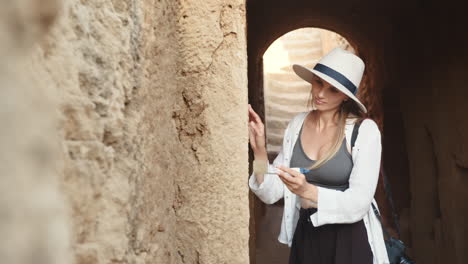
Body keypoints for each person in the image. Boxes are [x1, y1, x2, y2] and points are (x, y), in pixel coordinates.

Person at [248, 47, 390, 264]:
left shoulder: (364, 131)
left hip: (349, 239)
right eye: (318, 83)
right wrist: (259, 152)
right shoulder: (297, 125)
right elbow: (270, 192)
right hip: (307, 237)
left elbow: (359, 203)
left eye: (333, 90)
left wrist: (308, 191)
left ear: (345, 96)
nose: (321, 93)